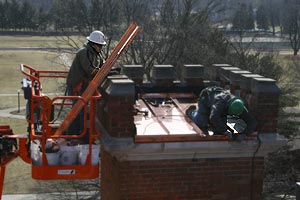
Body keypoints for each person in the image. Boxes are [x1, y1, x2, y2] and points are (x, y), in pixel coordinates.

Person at [66, 30, 106, 139]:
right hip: (77, 87)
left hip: (84, 86)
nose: (101, 48)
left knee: (82, 112)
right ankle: (73, 135)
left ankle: (80, 134)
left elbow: (101, 66)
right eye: (99, 46)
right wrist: (103, 71)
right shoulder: (84, 52)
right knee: (78, 111)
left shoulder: (96, 54)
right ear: (93, 44)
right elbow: (90, 70)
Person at [186, 86, 257, 141]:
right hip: (206, 98)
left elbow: (252, 122)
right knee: (202, 122)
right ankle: (191, 112)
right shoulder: (220, 102)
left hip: (218, 107)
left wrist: (244, 134)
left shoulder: (239, 106)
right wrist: (226, 131)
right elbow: (213, 118)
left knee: (222, 123)